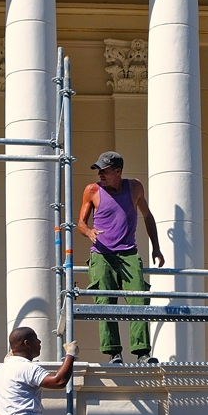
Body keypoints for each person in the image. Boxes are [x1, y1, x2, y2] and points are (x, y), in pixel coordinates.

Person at [77, 151, 165, 364]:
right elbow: (80, 223)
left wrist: (156, 247)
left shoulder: (134, 187)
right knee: (105, 302)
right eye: (99, 171)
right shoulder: (92, 190)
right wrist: (89, 232)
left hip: (128, 253)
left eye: (105, 171)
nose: (101, 175)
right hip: (102, 255)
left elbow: (147, 216)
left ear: (118, 171)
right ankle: (114, 353)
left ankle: (142, 352)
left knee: (139, 299)